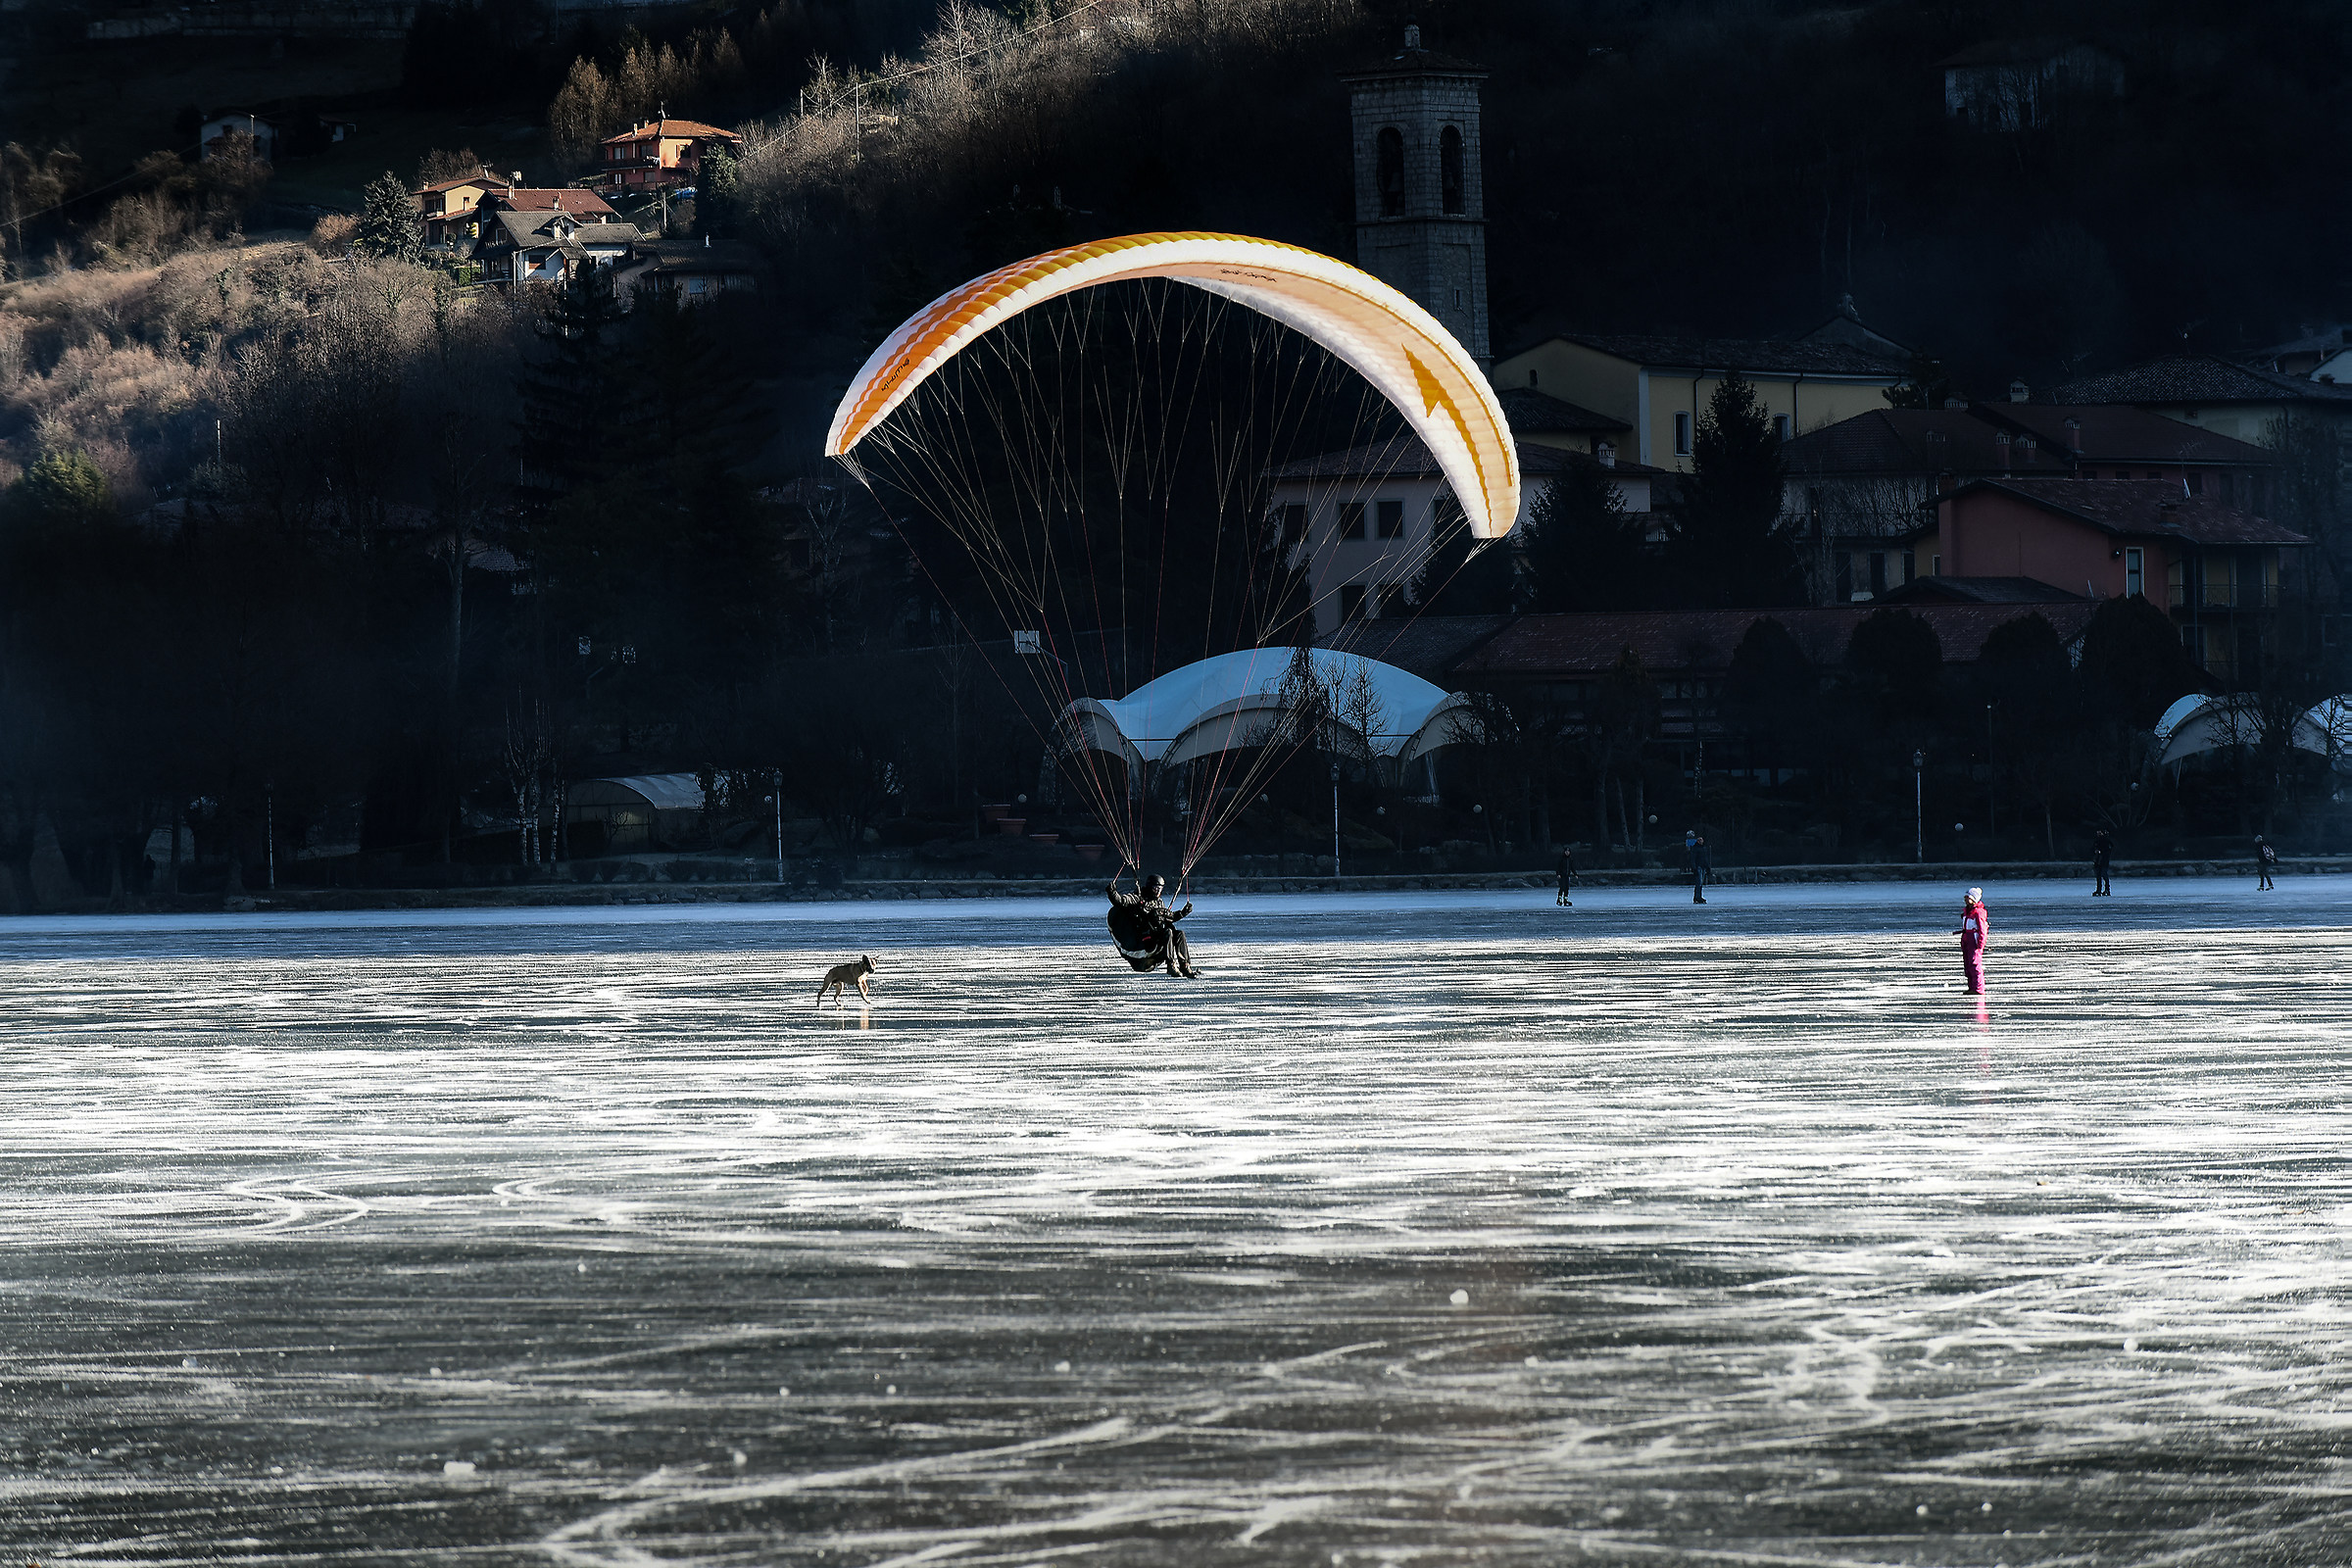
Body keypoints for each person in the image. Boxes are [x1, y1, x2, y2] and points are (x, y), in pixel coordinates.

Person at [1106, 872, 1199, 977]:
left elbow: (1168, 918)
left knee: (1179, 934)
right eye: (1156, 888)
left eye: (1160, 888)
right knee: (1167, 932)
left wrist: (1183, 913)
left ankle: (1185, 965)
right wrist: (1112, 893)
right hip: (1144, 943)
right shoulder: (1138, 898)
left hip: (1157, 940)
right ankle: (1171, 965)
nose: (1158, 891)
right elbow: (1121, 901)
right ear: (1150, 887)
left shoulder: (1159, 902)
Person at [1952, 887, 1989, 995]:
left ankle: (1978, 988)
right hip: (1966, 939)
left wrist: (1980, 944)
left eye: (1968, 897)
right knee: (1968, 964)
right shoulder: (1967, 911)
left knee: (1975, 964)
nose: (1965, 899)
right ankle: (1971, 987)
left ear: (1974, 899)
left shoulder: (1978, 912)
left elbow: (1982, 929)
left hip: (1974, 940)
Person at [1690, 831, 1711, 905]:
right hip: (1698, 867)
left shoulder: (1704, 848)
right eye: (1699, 840)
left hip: (1703, 867)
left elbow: (1706, 859)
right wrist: (1694, 868)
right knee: (1699, 882)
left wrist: (1708, 867)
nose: (1701, 841)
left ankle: (1698, 896)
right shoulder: (1695, 849)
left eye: (1701, 840)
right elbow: (1693, 859)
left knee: (1700, 883)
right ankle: (1697, 897)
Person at [2091, 829, 2113, 897]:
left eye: (2100, 833)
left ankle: (2106, 889)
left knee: (2103, 874)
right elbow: (2093, 849)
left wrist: (2101, 852)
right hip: (2098, 860)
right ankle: (2099, 890)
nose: (2098, 834)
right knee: (2098, 875)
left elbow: (2108, 850)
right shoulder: (2097, 841)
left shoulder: (2106, 841)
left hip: (2103, 860)